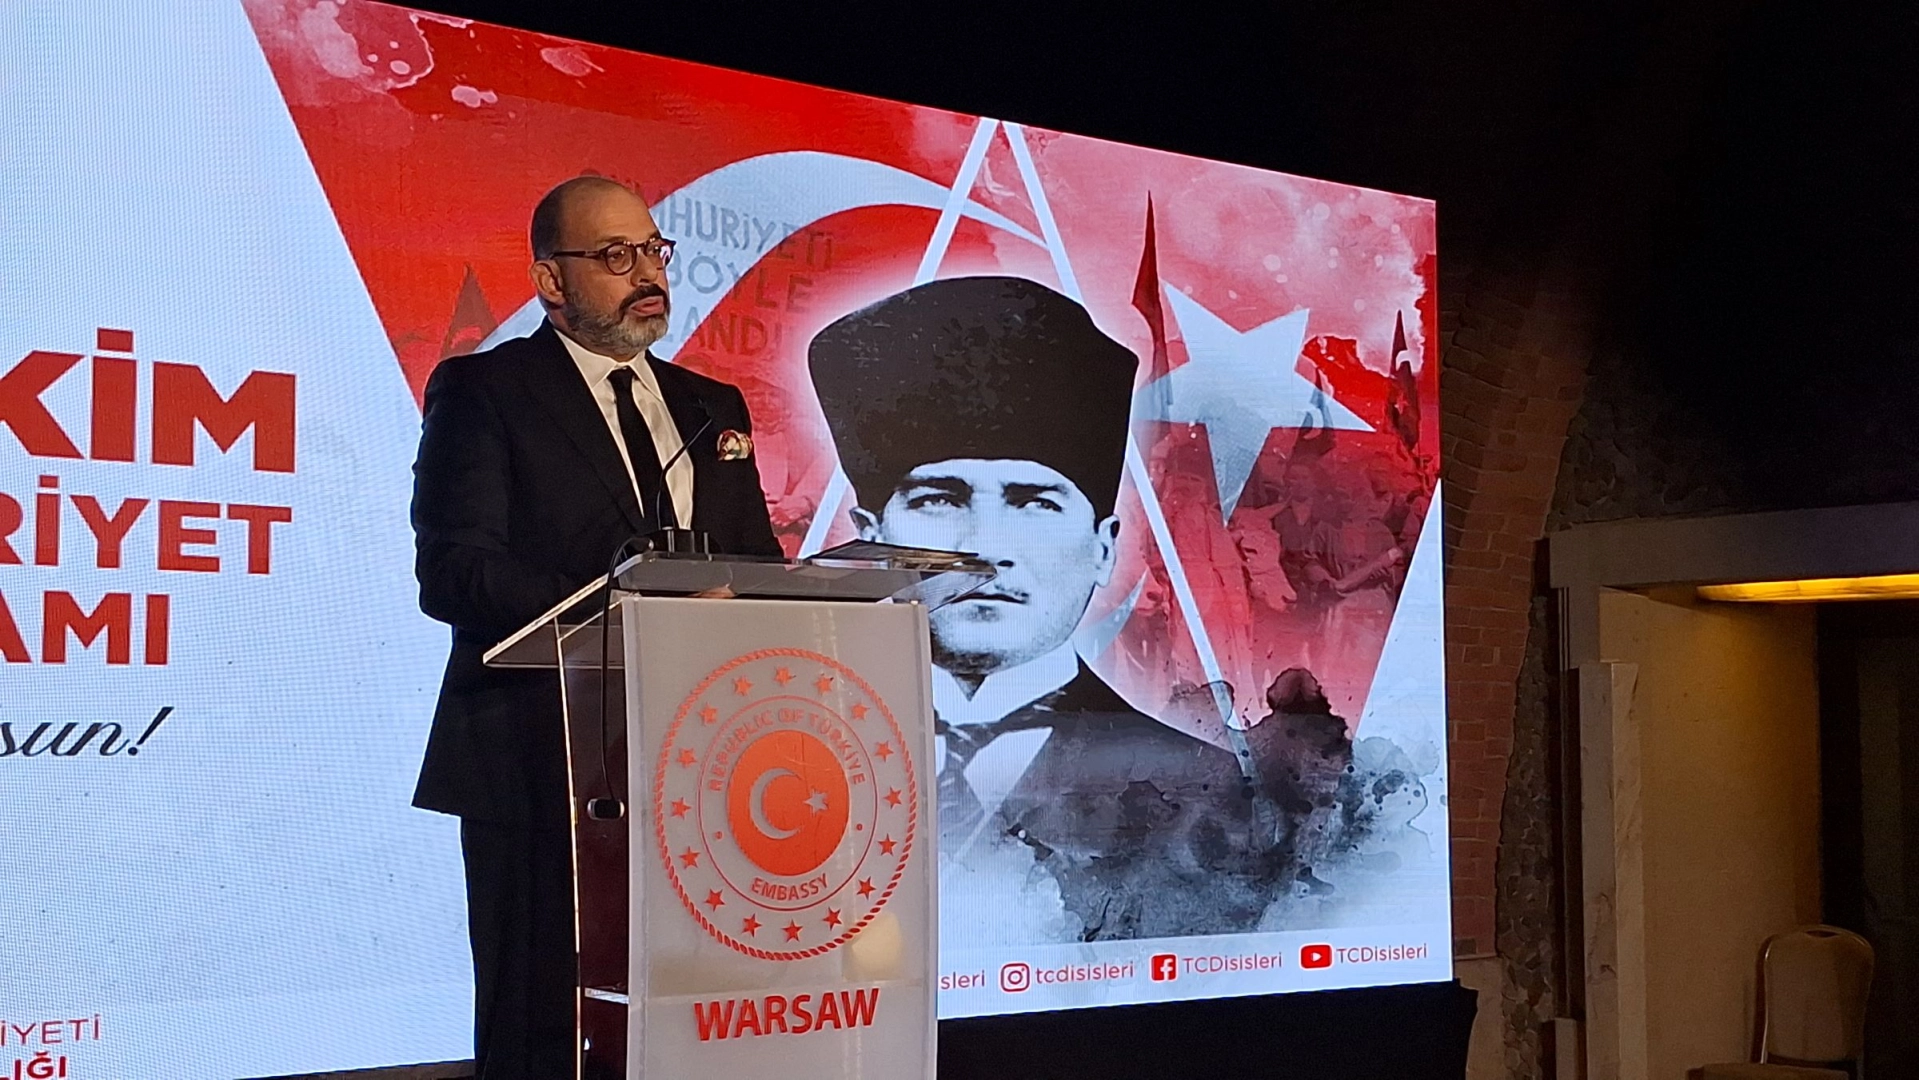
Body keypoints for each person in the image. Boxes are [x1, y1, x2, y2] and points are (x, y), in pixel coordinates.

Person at [410, 176, 780, 1078]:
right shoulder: (486, 391)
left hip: (700, 764)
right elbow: (455, 571)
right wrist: (626, 606)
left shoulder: (709, 406)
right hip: (539, 762)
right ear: (551, 280)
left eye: (653, 250)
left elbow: (757, 568)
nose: (646, 273)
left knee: (691, 1026)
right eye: (615, 256)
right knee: (542, 1032)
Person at [808, 275, 1288, 941]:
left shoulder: (1196, 786)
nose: (985, 549)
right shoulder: (795, 757)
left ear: (1102, 548)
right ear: (873, 536)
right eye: (938, 500)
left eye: (1034, 502)